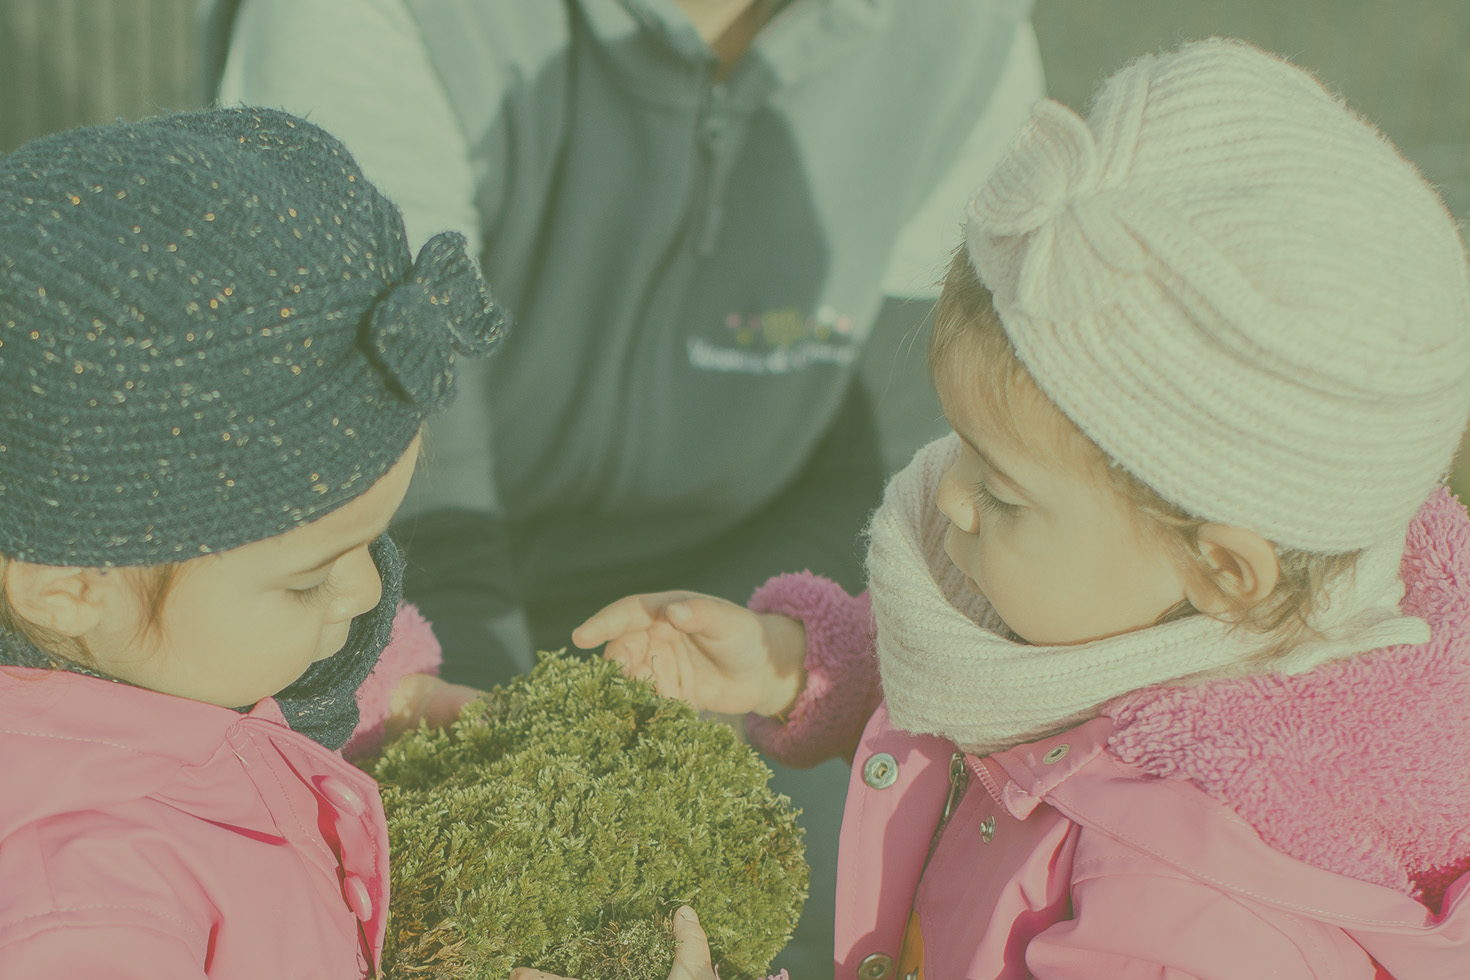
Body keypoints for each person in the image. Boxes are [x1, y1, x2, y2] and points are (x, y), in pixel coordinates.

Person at [575, 39, 1470, 978]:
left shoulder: (1181, 923)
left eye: (1001, 491)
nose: (948, 495)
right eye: (957, 440)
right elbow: (1026, 702)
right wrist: (798, 666)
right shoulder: (1199, 623)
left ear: (1222, 569)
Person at [203, 3, 1045, 971]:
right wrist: (530, 791)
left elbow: (892, 477)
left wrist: (770, 673)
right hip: (401, 588)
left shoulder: (959, 39)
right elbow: (398, 488)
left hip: (752, 610)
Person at [0, 105, 721, 979]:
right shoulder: (81, 906)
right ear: (69, 583)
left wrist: (403, 698)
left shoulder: (152, 660)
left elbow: (255, 687)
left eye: (371, 542)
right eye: (308, 580)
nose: (369, 593)